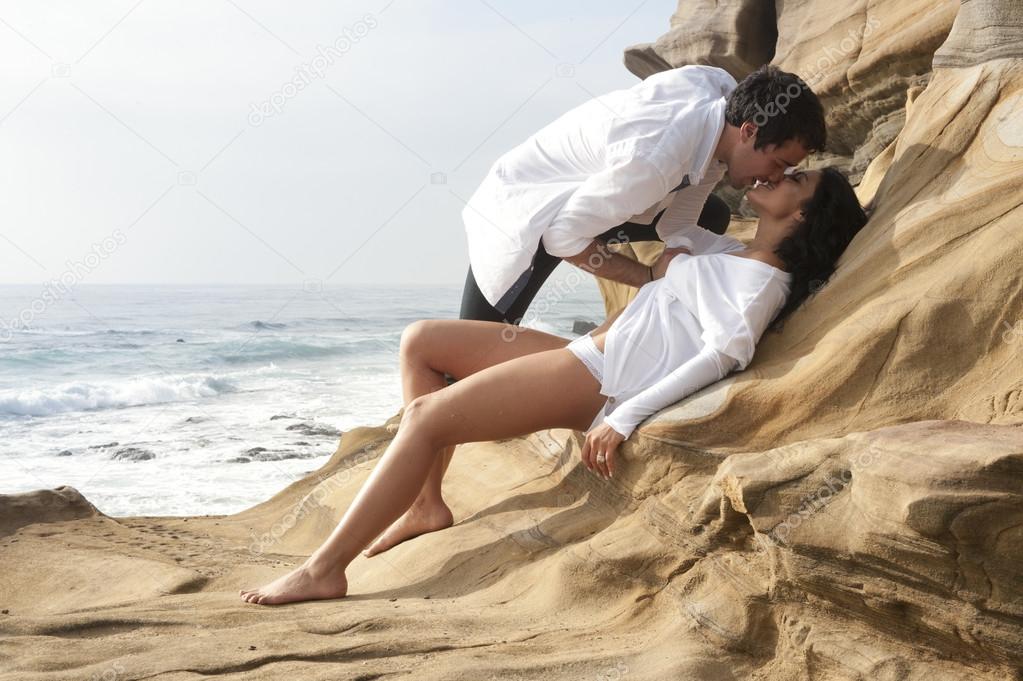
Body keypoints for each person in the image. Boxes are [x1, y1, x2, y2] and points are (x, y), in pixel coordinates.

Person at [238, 165, 868, 606]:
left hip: (602, 381)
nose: (776, 177)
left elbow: (721, 357)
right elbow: (679, 228)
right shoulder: (732, 255)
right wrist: (715, 168)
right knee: (421, 341)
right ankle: (426, 505)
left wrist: (625, 417)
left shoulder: (764, 285)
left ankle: (324, 570)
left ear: (806, 212)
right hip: (586, 353)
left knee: (428, 417)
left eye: (795, 179)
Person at [458, 64, 827, 327]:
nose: (775, 177)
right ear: (748, 131)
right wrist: (649, 276)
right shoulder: (653, 161)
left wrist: (759, 261)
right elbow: (560, 236)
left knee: (711, 215)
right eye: (778, 163)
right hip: (528, 210)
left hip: (600, 194)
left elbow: (679, 224)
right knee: (473, 347)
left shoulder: (721, 103)